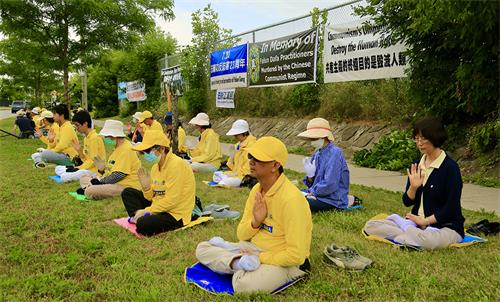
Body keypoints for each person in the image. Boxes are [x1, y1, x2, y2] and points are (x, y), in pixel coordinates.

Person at [195, 137, 312, 293]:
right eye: (251, 157)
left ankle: (237, 264)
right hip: (252, 249)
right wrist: (256, 222)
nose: (251, 161)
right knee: (203, 248)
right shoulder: (256, 191)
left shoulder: (291, 199)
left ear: (275, 165)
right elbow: (242, 234)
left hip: (282, 261)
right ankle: (238, 264)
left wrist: (260, 258)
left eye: (259, 159)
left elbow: (296, 256)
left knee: (244, 285)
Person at [363, 117, 465, 250]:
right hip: (416, 224)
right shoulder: (417, 164)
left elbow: (451, 208)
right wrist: (413, 187)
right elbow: (407, 202)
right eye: (416, 139)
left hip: (445, 226)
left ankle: (409, 235)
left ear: (435, 137)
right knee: (371, 225)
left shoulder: (450, 168)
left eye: (423, 138)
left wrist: (425, 221)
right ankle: (410, 235)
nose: (419, 143)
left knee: (427, 241)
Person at [121, 130, 196, 236]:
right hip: (159, 206)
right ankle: (139, 217)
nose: (145, 155)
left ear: (161, 148)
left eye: (147, 151)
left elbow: (172, 201)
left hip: (175, 213)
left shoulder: (176, 165)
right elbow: (152, 197)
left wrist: (148, 210)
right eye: (143, 152)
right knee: (128, 192)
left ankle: (140, 218)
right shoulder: (155, 168)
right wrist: (146, 188)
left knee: (143, 225)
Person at [297, 118, 356, 212]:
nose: (311, 142)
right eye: (310, 139)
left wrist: (313, 193)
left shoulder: (335, 153)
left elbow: (330, 184)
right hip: (317, 195)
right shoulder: (317, 154)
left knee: (297, 202)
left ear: (324, 137)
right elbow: (311, 184)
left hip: (332, 200)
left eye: (314, 138)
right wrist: (310, 177)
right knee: (292, 195)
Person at [78, 120, 141, 200]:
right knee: (83, 178)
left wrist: (100, 182)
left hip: (125, 186)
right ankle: (90, 187)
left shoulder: (126, 149)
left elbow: (119, 175)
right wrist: (102, 170)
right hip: (113, 182)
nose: (105, 139)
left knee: (90, 191)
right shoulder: (117, 148)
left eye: (107, 136)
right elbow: (111, 171)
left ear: (113, 136)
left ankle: (88, 188)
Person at [54, 110, 106, 182]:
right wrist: (79, 151)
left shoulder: (94, 138)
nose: (76, 128)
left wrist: (79, 168)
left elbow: (93, 161)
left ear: (85, 123)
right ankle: (71, 172)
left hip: (94, 171)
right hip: (86, 167)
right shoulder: (86, 138)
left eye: (77, 125)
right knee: (58, 168)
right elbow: (85, 159)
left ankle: (71, 173)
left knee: (64, 177)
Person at [212, 119, 257, 187]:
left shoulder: (252, 145)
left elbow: (248, 168)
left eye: (236, 135)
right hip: (235, 174)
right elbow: (231, 166)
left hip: (244, 176)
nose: (234, 137)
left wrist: (234, 174)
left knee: (224, 182)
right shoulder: (238, 145)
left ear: (244, 133)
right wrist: (231, 158)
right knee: (216, 176)